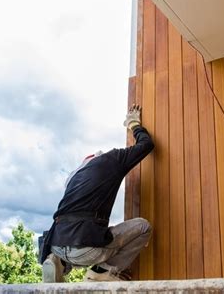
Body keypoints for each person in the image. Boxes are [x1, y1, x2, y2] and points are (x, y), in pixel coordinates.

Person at [40, 104, 154, 282]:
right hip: (86, 249)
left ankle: (57, 262)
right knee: (143, 227)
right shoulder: (113, 159)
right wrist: (134, 124)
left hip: (55, 244)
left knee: (78, 231)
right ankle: (102, 272)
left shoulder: (74, 177)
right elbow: (146, 145)